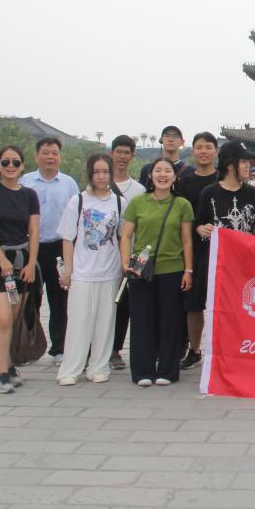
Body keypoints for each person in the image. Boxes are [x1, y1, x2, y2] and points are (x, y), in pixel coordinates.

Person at [187, 141, 255, 368]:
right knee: (200, 305)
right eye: (243, 162)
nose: (248, 166)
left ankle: (239, 350)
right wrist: (201, 229)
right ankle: (195, 350)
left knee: (238, 309)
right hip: (212, 261)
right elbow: (198, 223)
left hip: (243, 265)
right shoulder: (209, 193)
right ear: (230, 165)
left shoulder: (253, 194)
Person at [120, 158, 194, 387]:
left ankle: (167, 371)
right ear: (150, 175)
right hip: (141, 270)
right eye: (158, 170)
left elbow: (186, 240)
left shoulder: (182, 204)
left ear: (175, 176)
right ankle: (142, 370)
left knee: (170, 321)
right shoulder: (138, 202)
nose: (163, 175)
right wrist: (125, 263)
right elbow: (126, 235)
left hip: (173, 269)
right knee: (142, 320)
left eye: (168, 171)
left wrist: (188, 270)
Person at [55, 154, 126, 386]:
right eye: (97, 172)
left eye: (105, 171)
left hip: (110, 271)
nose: (101, 176)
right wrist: (68, 270)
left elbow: (124, 237)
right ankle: (71, 368)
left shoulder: (119, 202)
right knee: (78, 321)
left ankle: (99, 366)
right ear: (90, 173)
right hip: (82, 272)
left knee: (105, 323)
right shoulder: (78, 201)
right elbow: (67, 239)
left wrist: (124, 267)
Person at [0, 145, 40, 393]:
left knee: (13, 317)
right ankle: (1, 373)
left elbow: (34, 231)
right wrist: (1, 258)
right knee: (2, 319)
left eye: (15, 162)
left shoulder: (29, 195)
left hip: (21, 262)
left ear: (23, 166)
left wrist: (32, 263)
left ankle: (11, 365)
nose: (10, 166)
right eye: (5, 162)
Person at [19, 137, 79, 365]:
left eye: (54, 153)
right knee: (29, 299)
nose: (50, 157)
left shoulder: (69, 184)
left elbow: (76, 216)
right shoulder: (25, 181)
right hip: (30, 248)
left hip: (58, 247)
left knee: (59, 299)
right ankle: (28, 346)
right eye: (45, 152)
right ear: (36, 156)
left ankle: (59, 348)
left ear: (60, 157)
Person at [176, 132, 220, 370]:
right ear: (193, 151)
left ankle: (220, 350)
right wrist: (196, 228)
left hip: (222, 251)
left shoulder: (223, 179)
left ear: (215, 151)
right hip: (193, 248)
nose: (204, 151)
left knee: (221, 304)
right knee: (193, 303)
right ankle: (194, 350)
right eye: (199, 147)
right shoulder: (184, 182)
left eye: (208, 147)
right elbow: (179, 216)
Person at [109, 134, 146, 371]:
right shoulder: (97, 184)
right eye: (118, 152)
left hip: (129, 253)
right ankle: (93, 348)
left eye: (126, 153)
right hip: (101, 254)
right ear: (111, 153)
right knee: (101, 302)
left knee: (122, 302)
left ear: (132, 156)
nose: (122, 156)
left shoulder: (139, 189)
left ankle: (115, 350)